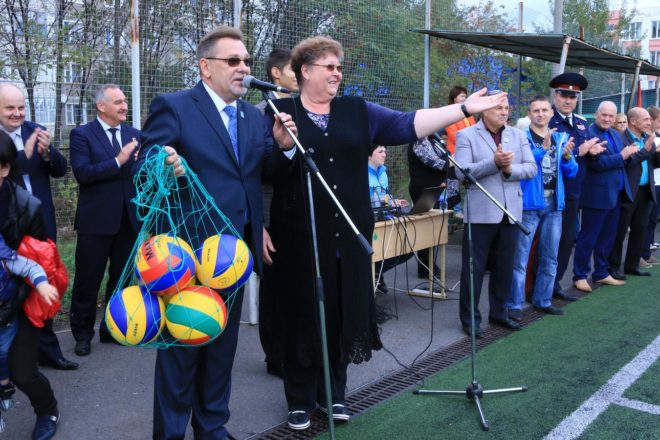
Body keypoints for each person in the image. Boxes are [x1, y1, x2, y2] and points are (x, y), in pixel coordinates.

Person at [263, 35, 507, 430]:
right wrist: (285, 148)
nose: (337, 73)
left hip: (349, 236)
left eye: (339, 66)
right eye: (329, 66)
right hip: (299, 238)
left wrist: (462, 108)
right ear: (305, 70)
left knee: (341, 314)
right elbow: (266, 173)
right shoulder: (279, 111)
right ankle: (299, 397)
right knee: (303, 314)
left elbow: (407, 123)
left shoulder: (356, 110)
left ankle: (333, 393)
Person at [138, 26, 295, 440]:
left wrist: (282, 147)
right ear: (206, 67)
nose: (243, 68)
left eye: (246, 61)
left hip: (233, 256)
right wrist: (162, 165)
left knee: (222, 348)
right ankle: (170, 434)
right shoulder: (175, 107)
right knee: (182, 351)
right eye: (233, 61)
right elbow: (144, 168)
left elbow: (261, 176)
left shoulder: (252, 116)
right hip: (185, 257)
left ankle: (212, 427)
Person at [0, 83, 76, 371]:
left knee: (45, 281)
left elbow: (60, 169)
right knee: (13, 288)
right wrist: (25, 154)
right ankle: (13, 360)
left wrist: (46, 153)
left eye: (21, 107)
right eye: (10, 108)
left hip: (39, 222)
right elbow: (7, 171)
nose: (17, 113)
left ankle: (48, 351)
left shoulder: (35, 130)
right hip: (8, 225)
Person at [454, 91, 537, 338]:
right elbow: (462, 172)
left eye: (507, 108)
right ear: (484, 110)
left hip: (511, 212)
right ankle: (470, 320)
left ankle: (499, 313)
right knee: (474, 270)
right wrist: (494, 162)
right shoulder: (466, 135)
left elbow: (531, 168)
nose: (504, 112)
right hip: (481, 213)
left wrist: (510, 169)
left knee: (504, 268)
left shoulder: (518, 135)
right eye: (499, 108)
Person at [68, 84, 140, 357]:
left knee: (121, 280)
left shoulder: (135, 135)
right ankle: (82, 335)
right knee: (88, 281)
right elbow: (83, 173)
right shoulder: (82, 135)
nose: (124, 106)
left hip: (127, 221)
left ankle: (112, 329)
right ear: (101, 106)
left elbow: (142, 171)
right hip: (95, 222)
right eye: (118, 102)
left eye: (125, 101)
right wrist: (118, 161)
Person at [0, 130, 60, 439]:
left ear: (5, 168)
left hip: (21, 297)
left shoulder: (28, 207)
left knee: (23, 371)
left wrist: (25, 293)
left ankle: (47, 409)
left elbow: (39, 262)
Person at [507, 95, 577, 321]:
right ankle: (514, 305)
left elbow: (572, 172)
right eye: (536, 110)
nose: (540, 114)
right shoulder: (521, 137)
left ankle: (543, 300)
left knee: (550, 257)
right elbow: (520, 169)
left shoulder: (560, 137)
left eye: (544, 110)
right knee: (520, 259)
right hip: (529, 205)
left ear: (551, 113)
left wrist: (567, 157)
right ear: (529, 114)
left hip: (554, 204)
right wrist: (543, 149)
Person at [256, 47, 298, 378]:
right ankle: (275, 355)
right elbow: (257, 172)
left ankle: (295, 350)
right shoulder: (260, 113)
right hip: (271, 216)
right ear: (276, 73)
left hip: (297, 213)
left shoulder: (302, 108)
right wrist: (260, 224)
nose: (299, 75)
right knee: (273, 290)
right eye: (293, 69)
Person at [548, 72, 603, 300]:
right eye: (564, 95)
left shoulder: (581, 123)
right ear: (556, 96)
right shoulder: (548, 121)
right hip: (553, 193)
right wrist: (580, 151)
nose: (568, 100)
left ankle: (555, 285)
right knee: (547, 245)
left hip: (574, 192)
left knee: (565, 242)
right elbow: (549, 159)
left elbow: (585, 154)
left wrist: (592, 152)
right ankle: (538, 289)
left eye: (573, 97)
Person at [572, 101, 635, 292]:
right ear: (596, 115)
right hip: (596, 195)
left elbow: (621, 159)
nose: (607, 119)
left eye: (611, 116)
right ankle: (580, 275)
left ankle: (601, 272)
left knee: (608, 237)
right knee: (588, 237)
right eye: (604, 115)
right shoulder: (589, 134)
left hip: (615, 193)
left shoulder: (615, 134)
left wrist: (629, 155)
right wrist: (623, 156)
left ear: (615, 118)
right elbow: (597, 164)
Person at [0, 233, 59, 433]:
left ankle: (47, 409)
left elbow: (32, 265)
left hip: (16, 309)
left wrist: (41, 284)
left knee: (21, 372)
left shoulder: (5, 257)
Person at [608, 107, 660, 279]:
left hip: (645, 190)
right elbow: (627, 162)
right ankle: (613, 267)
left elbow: (654, 163)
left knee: (640, 229)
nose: (649, 122)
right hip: (628, 191)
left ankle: (632, 265)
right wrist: (647, 149)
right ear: (633, 121)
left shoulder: (647, 138)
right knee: (620, 231)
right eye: (645, 119)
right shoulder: (621, 138)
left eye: (649, 119)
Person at [368, 144, 410, 294]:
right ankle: (373, 276)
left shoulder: (383, 172)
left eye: (385, 151)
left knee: (407, 248)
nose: (384, 154)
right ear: (369, 155)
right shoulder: (361, 174)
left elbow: (384, 196)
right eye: (380, 151)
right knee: (377, 251)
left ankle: (376, 273)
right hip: (371, 220)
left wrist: (393, 201)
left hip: (385, 217)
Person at [443, 85, 476, 222]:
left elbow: (475, 130)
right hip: (455, 153)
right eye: (462, 96)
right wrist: (471, 142)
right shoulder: (450, 113)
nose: (464, 98)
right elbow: (454, 136)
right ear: (454, 98)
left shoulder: (468, 113)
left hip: (470, 151)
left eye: (465, 96)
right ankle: (456, 210)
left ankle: (471, 209)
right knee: (454, 182)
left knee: (470, 180)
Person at [641, 105, 660, 265]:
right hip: (650, 185)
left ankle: (646, 253)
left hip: (657, 184)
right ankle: (639, 255)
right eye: (659, 121)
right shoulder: (646, 139)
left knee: (652, 220)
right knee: (644, 221)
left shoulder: (656, 136)